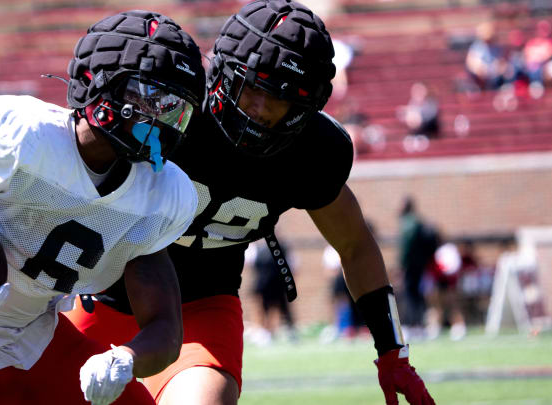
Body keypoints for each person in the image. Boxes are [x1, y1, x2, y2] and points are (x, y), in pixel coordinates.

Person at [66, 2, 436, 405]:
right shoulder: (173, 111)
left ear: (305, 108)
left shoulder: (313, 151)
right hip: (104, 294)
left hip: (203, 310)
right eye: (251, 87)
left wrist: (392, 351)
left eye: (278, 99)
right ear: (222, 76)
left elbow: (354, 244)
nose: (258, 109)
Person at [0, 11, 205, 405]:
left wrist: (125, 360)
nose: (159, 118)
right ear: (97, 83)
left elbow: (164, 327)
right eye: (146, 97)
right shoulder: (24, 138)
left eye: (173, 107)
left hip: (34, 333)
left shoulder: (159, 194)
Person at [398, 197, 439, 340]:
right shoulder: (418, 221)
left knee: (410, 295)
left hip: (411, 266)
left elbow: (406, 248)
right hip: (420, 265)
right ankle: (420, 325)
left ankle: (413, 325)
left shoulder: (408, 223)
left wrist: (402, 265)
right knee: (418, 294)